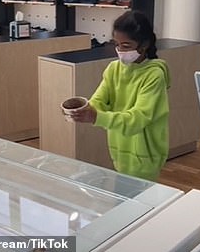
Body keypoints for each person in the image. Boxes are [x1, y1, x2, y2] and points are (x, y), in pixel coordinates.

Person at [68, 10, 170, 181]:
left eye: (126, 45)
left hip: (146, 156)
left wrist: (96, 117)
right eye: (117, 44)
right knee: (123, 200)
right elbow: (99, 100)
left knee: (141, 205)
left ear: (143, 45)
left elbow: (137, 119)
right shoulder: (113, 69)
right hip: (119, 152)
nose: (120, 50)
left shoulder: (154, 75)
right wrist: (83, 109)